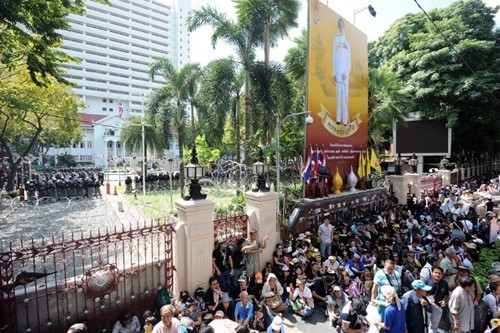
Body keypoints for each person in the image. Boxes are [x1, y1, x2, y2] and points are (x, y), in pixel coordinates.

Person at [332, 17, 351, 126]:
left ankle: (345, 120)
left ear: (345, 27)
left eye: (342, 25)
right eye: (339, 25)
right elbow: (334, 57)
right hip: (338, 73)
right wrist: (334, 73)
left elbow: (349, 60)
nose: (341, 27)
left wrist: (346, 72)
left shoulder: (348, 43)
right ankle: (338, 119)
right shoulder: (335, 39)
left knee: (345, 98)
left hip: (345, 75)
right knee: (339, 96)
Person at [425, 267, 449, 333]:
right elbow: (421, 292)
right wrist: (427, 299)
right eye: (436, 272)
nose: (437, 275)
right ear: (432, 273)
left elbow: (446, 294)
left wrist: (444, 300)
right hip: (427, 307)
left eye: (439, 273)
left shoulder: (444, 283)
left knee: (434, 326)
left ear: (442, 275)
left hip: (438, 307)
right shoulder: (427, 279)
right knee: (425, 325)